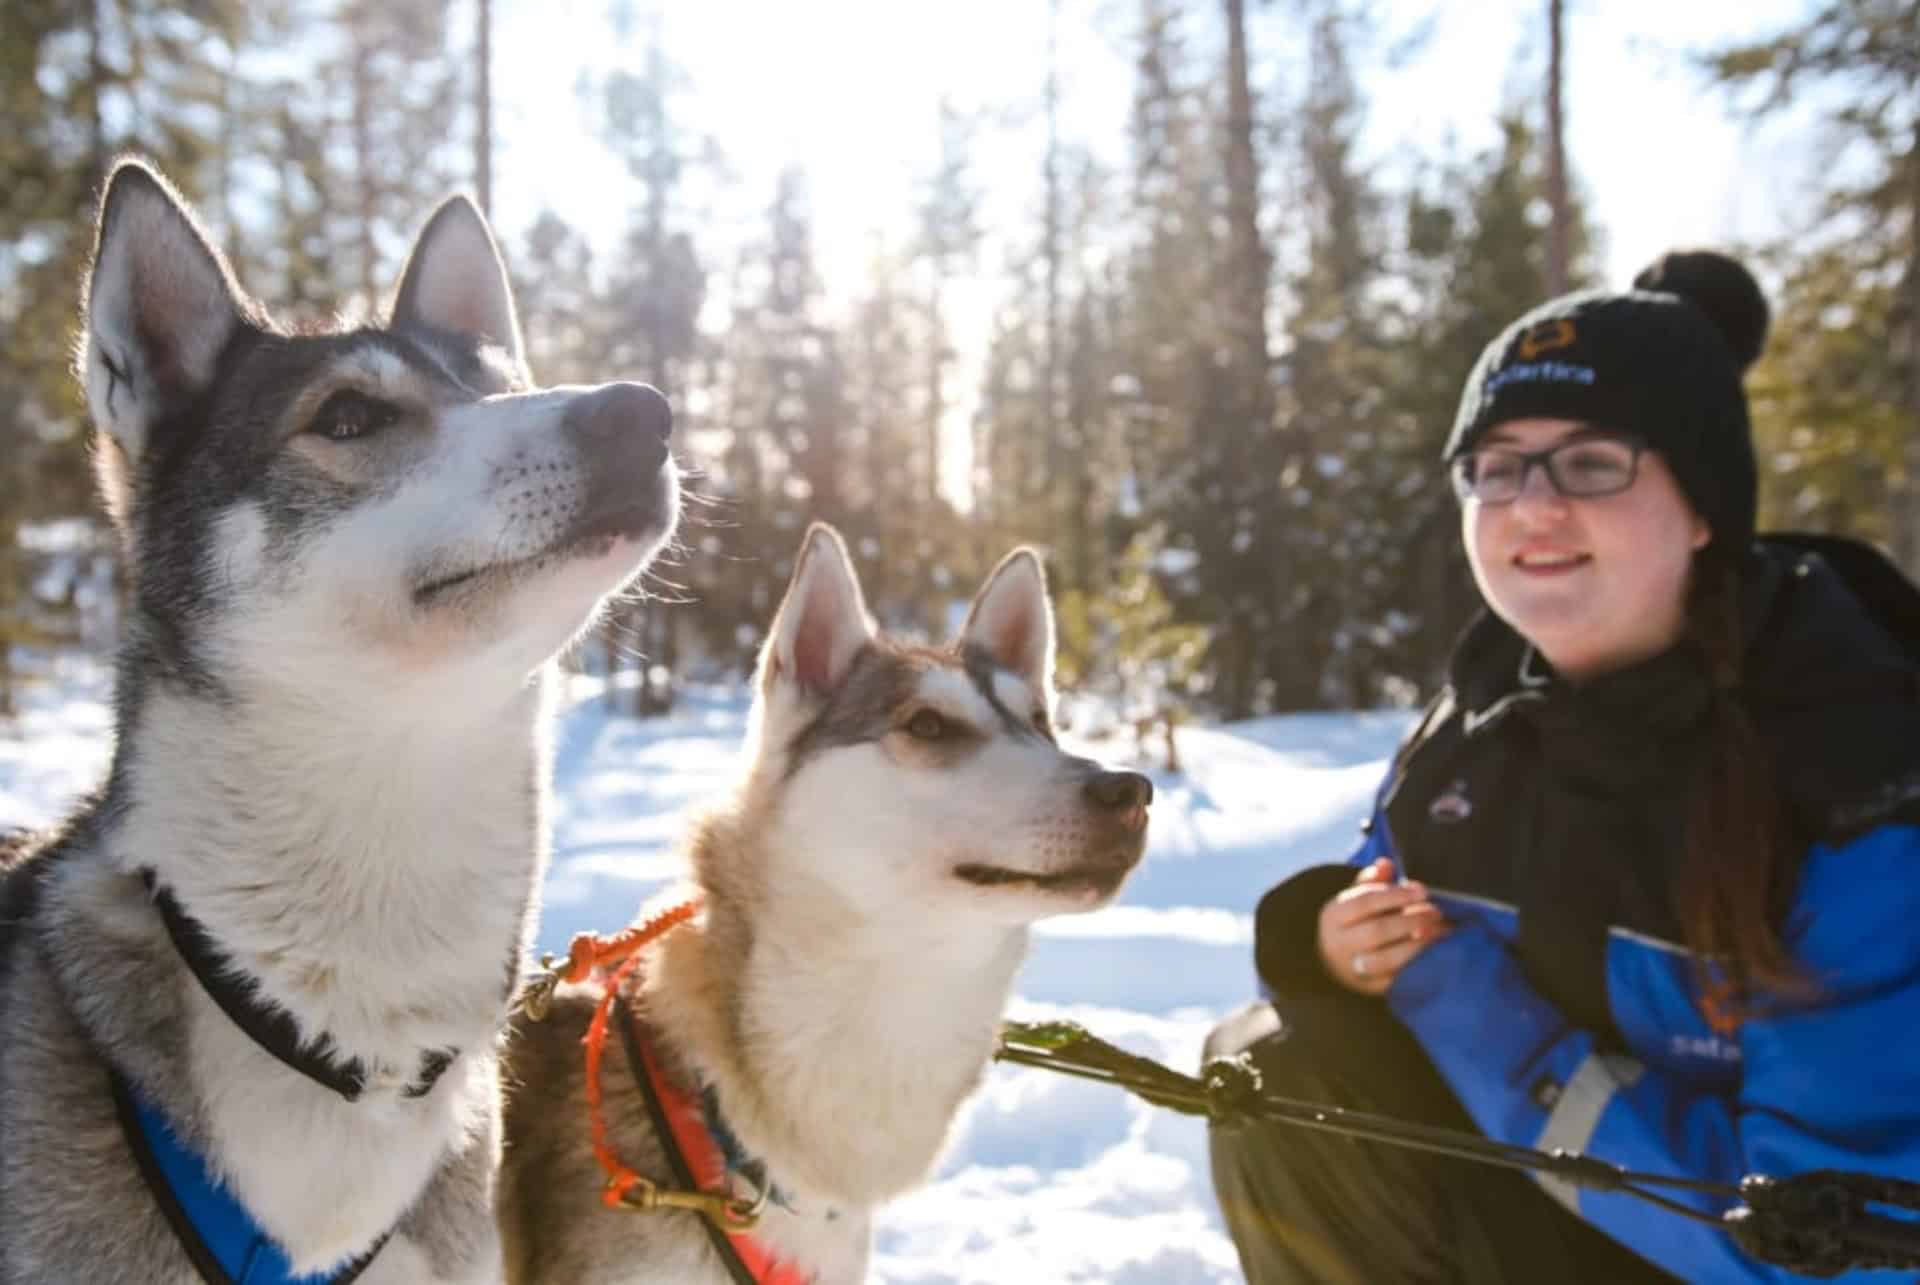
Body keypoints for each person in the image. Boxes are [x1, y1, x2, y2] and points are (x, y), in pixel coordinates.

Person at [1206, 250, 1920, 1283]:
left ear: (1706, 503)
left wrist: (1451, 988)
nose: (1533, 506)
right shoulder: (1483, 710)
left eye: (1593, 463)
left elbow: (1824, 1244)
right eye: (1498, 466)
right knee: (1274, 1073)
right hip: (1573, 1215)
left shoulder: (1852, 763)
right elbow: (1386, 897)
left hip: (1746, 1260)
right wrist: (1333, 946)